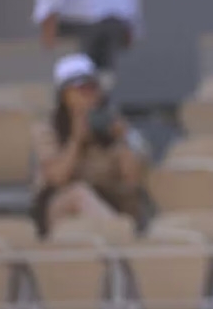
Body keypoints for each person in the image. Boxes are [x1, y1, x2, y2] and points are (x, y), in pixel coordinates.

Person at [31, 53, 149, 237]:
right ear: (64, 95)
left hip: (109, 202)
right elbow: (57, 177)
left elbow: (132, 180)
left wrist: (124, 140)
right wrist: (76, 140)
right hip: (60, 206)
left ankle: (118, 235)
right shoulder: (48, 130)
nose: (88, 95)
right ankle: (121, 237)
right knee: (79, 194)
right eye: (80, 89)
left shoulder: (112, 126)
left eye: (92, 88)